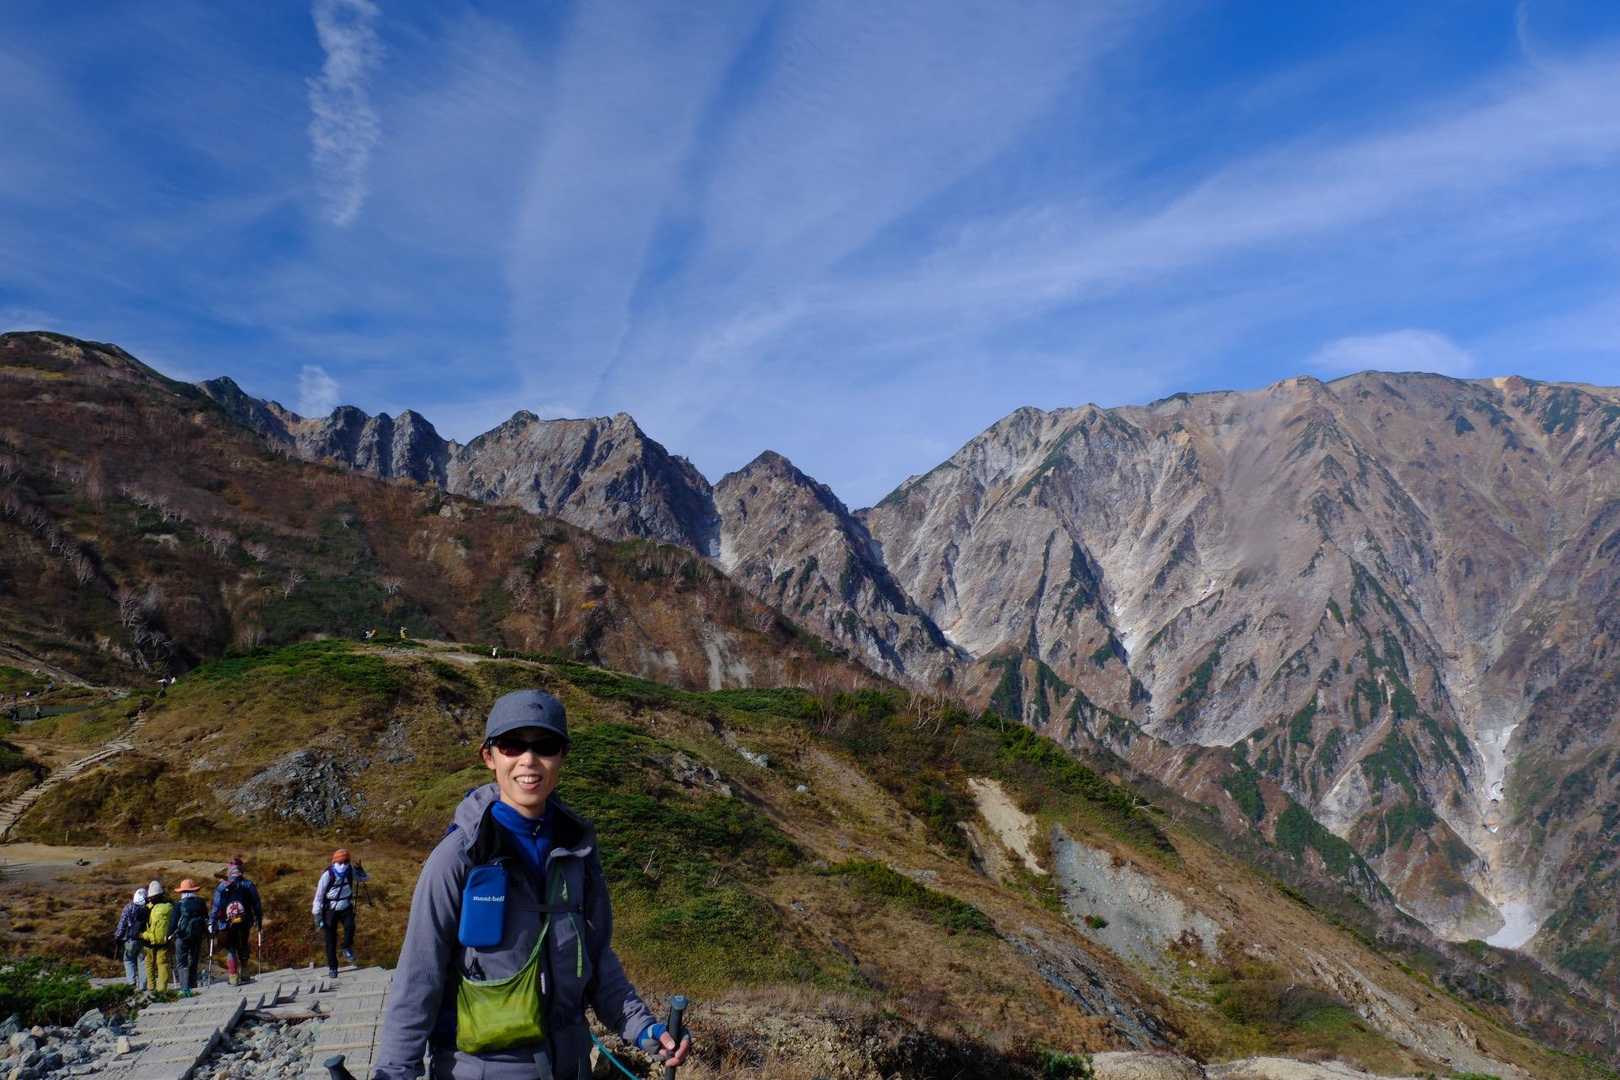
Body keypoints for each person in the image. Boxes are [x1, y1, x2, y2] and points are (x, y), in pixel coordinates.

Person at [374, 689, 691, 1080]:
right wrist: (394, 1071)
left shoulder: (577, 850)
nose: (529, 759)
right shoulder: (458, 857)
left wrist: (644, 1028)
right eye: (511, 745)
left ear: (562, 756)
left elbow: (596, 959)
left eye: (545, 745)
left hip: (571, 1066)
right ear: (489, 756)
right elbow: (419, 975)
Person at [312, 848, 369, 978]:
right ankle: (333, 968)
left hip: (346, 907)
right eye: (340, 862)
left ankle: (346, 947)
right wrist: (317, 915)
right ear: (335, 861)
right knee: (330, 940)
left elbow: (364, 879)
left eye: (346, 861)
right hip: (330, 910)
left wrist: (360, 870)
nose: (343, 865)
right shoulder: (328, 875)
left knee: (350, 927)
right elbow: (319, 896)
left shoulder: (350, 870)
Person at [210, 857, 264, 985]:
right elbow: (256, 904)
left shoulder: (222, 886)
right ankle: (245, 972)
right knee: (243, 944)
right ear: (241, 870)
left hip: (226, 923)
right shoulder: (248, 885)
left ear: (229, 870)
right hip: (245, 921)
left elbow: (216, 907)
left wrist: (212, 922)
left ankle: (233, 976)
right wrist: (259, 919)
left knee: (231, 947)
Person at [172, 879, 210, 993]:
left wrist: (169, 934)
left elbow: (173, 923)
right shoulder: (200, 902)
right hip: (197, 935)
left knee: (182, 961)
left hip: (182, 936)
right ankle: (193, 983)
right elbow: (206, 917)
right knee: (194, 959)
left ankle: (184, 987)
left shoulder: (179, 905)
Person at [142, 880, 175, 992]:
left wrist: (142, 935)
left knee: (149, 964)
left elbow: (144, 924)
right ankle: (162, 989)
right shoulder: (169, 907)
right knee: (162, 964)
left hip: (149, 940)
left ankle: (151, 986)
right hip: (164, 940)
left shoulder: (147, 908)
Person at [113, 887, 149, 989]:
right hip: (143, 939)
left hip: (130, 939)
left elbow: (122, 924)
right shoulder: (147, 909)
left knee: (128, 960)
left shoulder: (128, 907)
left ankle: (131, 982)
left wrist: (118, 936)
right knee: (142, 961)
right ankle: (143, 986)